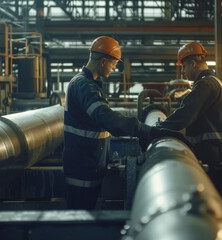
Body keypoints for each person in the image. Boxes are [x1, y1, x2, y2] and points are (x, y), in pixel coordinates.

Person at [62, 36, 179, 210]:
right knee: (80, 219)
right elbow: (107, 119)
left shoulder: (90, 84)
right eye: (114, 64)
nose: (114, 68)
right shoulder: (84, 86)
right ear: (103, 61)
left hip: (90, 163)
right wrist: (147, 131)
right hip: (82, 167)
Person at [157, 42, 222, 193]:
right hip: (220, 153)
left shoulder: (205, 85)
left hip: (212, 155)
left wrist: (159, 128)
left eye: (184, 67)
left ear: (193, 64)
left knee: (210, 204)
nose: (183, 72)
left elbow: (185, 114)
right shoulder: (215, 82)